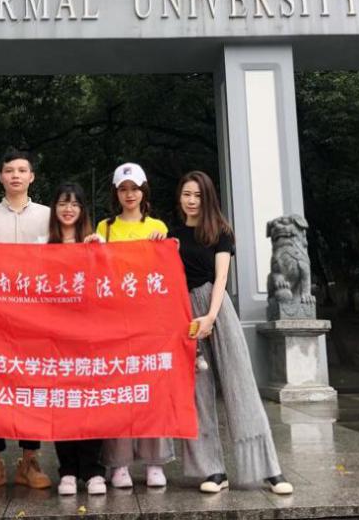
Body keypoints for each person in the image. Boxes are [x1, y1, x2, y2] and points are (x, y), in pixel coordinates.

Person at [170, 170, 293, 495]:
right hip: (184, 313)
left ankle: (269, 469)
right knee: (197, 392)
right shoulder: (173, 235)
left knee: (240, 386)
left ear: (207, 198)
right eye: (187, 194)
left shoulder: (220, 232)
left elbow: (221, 277)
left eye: (197, 195)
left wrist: (211, 316)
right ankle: (212, 470)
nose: (191, 201)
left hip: (217, 307)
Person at [0, 148, 53, 492]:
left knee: (32, 383)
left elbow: (62, 261)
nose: (16, 175)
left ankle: (29, 459)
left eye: (22, 170)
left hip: (37, 316)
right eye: (9, 170)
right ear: (1, 177)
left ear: (32, 176)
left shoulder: (48, 215)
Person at [93, 162, 174, 490]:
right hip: (115, 321)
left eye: (135, 188)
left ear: (144, 191)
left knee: (151, 389)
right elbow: (97, 271)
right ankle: (120, 463)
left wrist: (164, 246)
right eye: (123, 189)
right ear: (116, 193)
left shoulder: (157, 227)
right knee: (119, 391)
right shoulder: (104, 228)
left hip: (149, 320)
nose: (130, 195)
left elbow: (165, 272)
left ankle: (155, 461)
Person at [44, 182, 108, 496]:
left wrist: (101, 252)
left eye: (74, 204)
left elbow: (111, 283)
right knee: (62, 403)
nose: (68, 209)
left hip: (90, 336)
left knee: (92, 402)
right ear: (54, 209)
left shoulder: (95, 243)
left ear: (82, 210)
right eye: (62, 203)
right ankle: (67, 469)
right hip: (55, 337)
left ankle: (93, 470)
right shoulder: (42, 246)